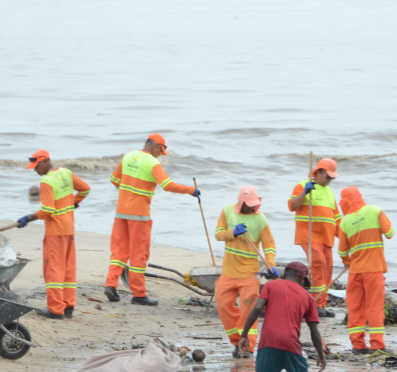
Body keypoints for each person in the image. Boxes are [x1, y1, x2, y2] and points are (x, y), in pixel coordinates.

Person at [104, 133, 199, 306]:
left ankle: (111, 284)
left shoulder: (128, 157)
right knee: (139, 254)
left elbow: (114, 179)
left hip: (121, 212)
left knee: (119, 251)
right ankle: (138, 294)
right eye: (159, 152)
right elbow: (167, 185)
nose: (159, 156)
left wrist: (128, 192)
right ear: (155, 146)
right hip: (139, 215)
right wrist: (191, 190)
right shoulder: (152, 162)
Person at [239, 261, 326, 372]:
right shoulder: (307, 297)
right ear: (302, 279)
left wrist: (244, 335)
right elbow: (314, 332)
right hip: (291, 345)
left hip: (268, 342)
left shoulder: (271, 286)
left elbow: (257, 308)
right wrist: (320, 355)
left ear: (286, 275)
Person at [16, 150, 91, 319]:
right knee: (68, 269)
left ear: (45, 162)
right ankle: (68, 306)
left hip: (55, 231)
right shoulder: (66, 173)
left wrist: (29, 217)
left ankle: (56, 309)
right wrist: (73, 202)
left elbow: (48, 210)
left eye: (36, 167)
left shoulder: (47, 181)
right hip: (69, 229)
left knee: (53, 270)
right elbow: (85, 189)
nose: (35, 171)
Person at [213, 185, 277, 359]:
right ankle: (237, 341)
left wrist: (270, 263)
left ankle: (247, 346)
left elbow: (269, 245)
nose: (251, 207)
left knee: (249, 310)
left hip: (250, 274)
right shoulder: (228, 212)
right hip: (228, 272)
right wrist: (232, 232)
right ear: (240, 201)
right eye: (248, 204)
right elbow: (218, 234)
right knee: (223, 304)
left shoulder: (260, 219)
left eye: (253, 204)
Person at [337, 186, 395, 353]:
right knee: (374, 306)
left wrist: (348, 261)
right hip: (373, 269)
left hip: (355, 272)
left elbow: (342, 252)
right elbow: (390, 233)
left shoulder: (345, 222)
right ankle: (376, 344)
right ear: (359, 197)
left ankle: (357, 345)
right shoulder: (375, 211)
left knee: (355, 307)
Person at [288, 158, 342, 317]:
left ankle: (321, 304)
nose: (331, 180)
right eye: (328, 176)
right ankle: (315, 304)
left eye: (332, 177)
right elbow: (292, 206)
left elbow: (337, 218)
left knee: (327, 268)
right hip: (309, 235)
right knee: (318, 263)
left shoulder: (330, 192)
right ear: (318, 172)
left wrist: (346, 240)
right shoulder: (302, 185)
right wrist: (305, 192)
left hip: (327, 237)